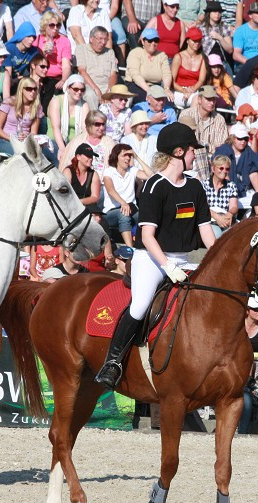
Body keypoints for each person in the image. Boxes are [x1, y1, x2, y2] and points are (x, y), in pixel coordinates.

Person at [96, 123, 215, 388]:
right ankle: (112, 362)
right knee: (139, 306)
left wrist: (217, 258)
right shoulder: (154, 185)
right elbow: (148, 236)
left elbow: (205, 230)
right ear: (179, 152)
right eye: (192, 150)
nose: (195, 155)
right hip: (150, 259)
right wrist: (167, 265)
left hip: (183, 258)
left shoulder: (195, 186)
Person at [179, 86, 228, 180]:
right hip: (190, 159)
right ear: (199, 99)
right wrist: (207, 146)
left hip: (213, 160)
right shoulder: (186, 115)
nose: (212, 102)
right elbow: (182, 141)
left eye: (213, 99)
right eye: (208, 99)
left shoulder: (219, 119)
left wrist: (204, 146)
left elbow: (221, 146)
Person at [240, 295, 258, 433]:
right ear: (247, 310)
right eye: (256, 309)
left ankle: (243, 432)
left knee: (246, 399)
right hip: (237, 367)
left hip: (254, 370)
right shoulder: (238, 322)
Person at [214, 122, 258, 207]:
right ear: (232, 138)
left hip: (245, 190)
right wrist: (232, 192)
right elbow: (222, 172)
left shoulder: (248, 153)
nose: (243, 141)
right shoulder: (223, 151)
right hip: (225, 190)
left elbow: (253, 172)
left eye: (245, 139)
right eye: (240, 138)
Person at [0, 76, 43, 156]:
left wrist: (27, 136)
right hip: (6, 140)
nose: (33, 92)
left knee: (34, 155)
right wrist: (12, 139)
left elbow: (34, 132)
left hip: (25, 141)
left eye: (35, 89)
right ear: (21, 89)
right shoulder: (9, 102)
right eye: (29, 89)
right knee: (21, 154)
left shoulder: (37, 107)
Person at [102, 143, 139, 245]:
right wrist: (123, 202)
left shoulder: (132, 171)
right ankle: (130, 249)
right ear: (116, 157)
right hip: (111, 211)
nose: (127, 158)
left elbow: (150, 175)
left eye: (129, 155)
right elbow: (110, 190)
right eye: (124, 155)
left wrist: (137, 157)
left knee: (145, 217)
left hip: (131, 208)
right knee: (124, 214)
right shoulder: (109, 171)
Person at [124, 27, 172, 103]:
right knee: (151, 100)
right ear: (143, 41)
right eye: (150, 40)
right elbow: (135, 75)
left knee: (168, 100)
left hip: (156, 87)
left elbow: (167, 74)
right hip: (135, 85)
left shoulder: (162, 55)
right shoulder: (135, 53)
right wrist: (150, 91)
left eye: (156, 40)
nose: (153, 43)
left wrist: (166, 89)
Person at [76, 25, 119, 109]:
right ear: (91, 38)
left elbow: (113, 74)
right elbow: (82, 71)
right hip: (89, 85)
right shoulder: (81, 49)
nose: (103, 42)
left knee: (126, 96)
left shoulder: (110, 52)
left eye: (105, 39)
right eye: (100, 39)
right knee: (90, 95)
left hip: (107, 86)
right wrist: (96, 89)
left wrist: (109, 90)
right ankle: (94, 120)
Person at [202, 154, 239, 237]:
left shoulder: (231, 186)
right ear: (213, 169)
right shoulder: (204, 185)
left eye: (227, 169)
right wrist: (217, 217)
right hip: (209, 220)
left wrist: (230, 214)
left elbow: (234, 206)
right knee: (217, 235)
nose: (224, 171)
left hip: (226, 219)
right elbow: (203, 207)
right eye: (221, 168)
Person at [63, 143, 103, 216]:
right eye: (87, 156)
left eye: (91, 156)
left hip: (88, 207)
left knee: (97, 219)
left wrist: (80, 201)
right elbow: (65, 194)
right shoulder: (68, 171)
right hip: (71, 207)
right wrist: (75, 203)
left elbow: (95, 197)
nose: (90, 158)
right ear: (78, 156)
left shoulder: (94, 174)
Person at [171, 27, 206, 108]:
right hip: (179, 91)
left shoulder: (203, 58)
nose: (197, 43)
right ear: (187, 40)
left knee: (200, 100)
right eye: (194, 40)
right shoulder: (178, 57)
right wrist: (184, 90)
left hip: (195, 91)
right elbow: (172, 81)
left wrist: (192, 90)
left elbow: (201, 80)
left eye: (199, 40)